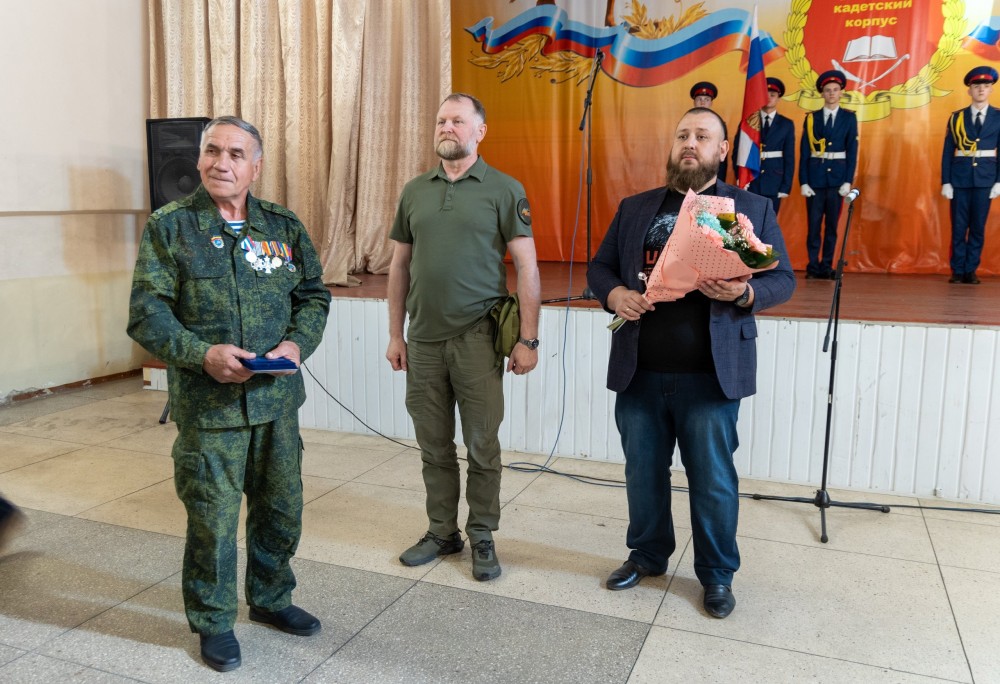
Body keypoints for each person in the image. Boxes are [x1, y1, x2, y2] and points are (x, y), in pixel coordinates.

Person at [127, 115, 331, 672]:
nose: (222, 162)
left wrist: (296, 344)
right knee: (212, 521)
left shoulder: (281, 226)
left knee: (281, 510)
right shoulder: (171, 227)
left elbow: (313, 295)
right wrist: (202, 355)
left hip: (276, 405)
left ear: (255, 167)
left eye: (236, 154)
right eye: (213, 151)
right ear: (199, 160)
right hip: (209, 408)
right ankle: (213, 621)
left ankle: (270, 598)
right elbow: (146, 313)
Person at [586, 107, 795, 619]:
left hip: (711, 376)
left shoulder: (747, 208)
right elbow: (601, 267)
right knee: (643, 473)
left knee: (713, 480)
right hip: (640, 370)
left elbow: (782, 279)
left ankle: (717, 574)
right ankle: (647, 555)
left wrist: (744, 294)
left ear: (722, 149)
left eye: (702, 136)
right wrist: (614, 295)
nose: (689, 143)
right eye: (682, 134)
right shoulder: (636, 208)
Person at [386, 93, 541, 583]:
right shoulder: (415, 191)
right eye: (441, 121)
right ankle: (441, 532)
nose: (446, 128)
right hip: (423, 341)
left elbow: (528, 267)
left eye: (457, 120)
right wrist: (395, 335)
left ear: (480, 131)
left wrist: (529, 340)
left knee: (481, 445)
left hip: (478, 338)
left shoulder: (504, 189)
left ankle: (482, 534)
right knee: (433, 445)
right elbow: (399, 266)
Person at [941, 65, 1000, 284]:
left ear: (991, 89)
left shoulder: (998, 117)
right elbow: (948, 151)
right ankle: (957, 270)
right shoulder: (957, 118)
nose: (981, 89)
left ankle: (971, 269)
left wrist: (999, 181)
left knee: (977, 227)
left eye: (986, 86)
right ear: (969, 90)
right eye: (977, 86)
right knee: (958, 226)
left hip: (985, 179)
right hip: (960, 179)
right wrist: (946, 181)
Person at [799, 70, 859, 279]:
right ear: (822, 93)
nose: (832, 93)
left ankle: (827, 266)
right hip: (815, 179)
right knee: (814, 226)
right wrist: (804, 181)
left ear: (841, 92)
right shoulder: (811, 118)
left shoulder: (849, 118)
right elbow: (804, 152)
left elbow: (852, 152)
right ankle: (813, 266)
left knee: (832, 226)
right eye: (827, 90)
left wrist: (847, 181)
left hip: (837, 180)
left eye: (835, 89)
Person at [733, 77, 795, 214]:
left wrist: (785, 186)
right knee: (748, 221)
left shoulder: (786, 124)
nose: (768, 98)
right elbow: (737, 152)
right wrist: (740, 176)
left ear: (778, 98)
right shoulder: (748, 123)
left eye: (773, 95)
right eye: (765, 95)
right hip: (751, 180)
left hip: (774, 181)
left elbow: (789, 158)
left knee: (769, 222)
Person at [689, 81, 729, 184]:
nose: (702, 103)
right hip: (690, 171)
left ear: (711, 103)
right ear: (694, 102)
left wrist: (720, 181)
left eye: (706, 100)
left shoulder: (719, 125)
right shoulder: (685, 124)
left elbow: (722, 155)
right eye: (699, 99)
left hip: (711, 172)